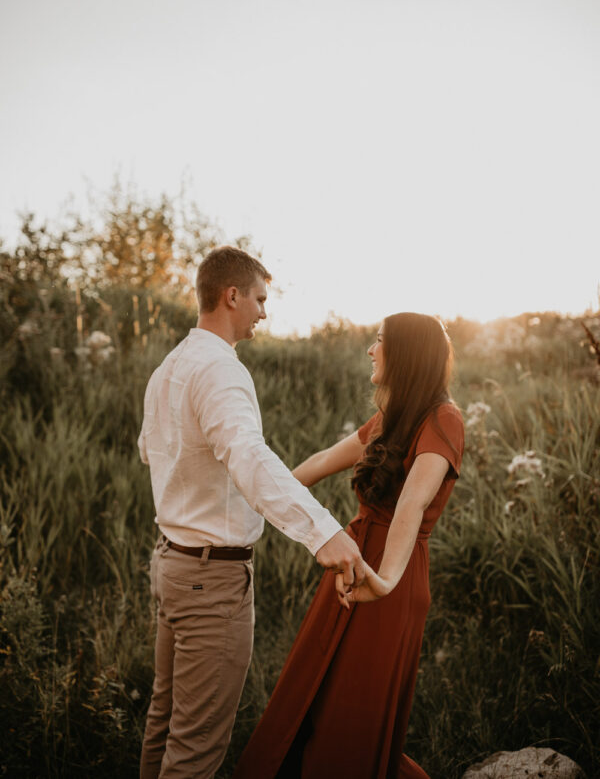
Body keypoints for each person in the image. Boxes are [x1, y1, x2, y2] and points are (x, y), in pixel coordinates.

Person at [138, 246, 365, 779]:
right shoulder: (220, 371)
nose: (265, 312)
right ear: (232, 295)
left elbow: (153, 449)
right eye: (260, 299)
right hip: (210, 580)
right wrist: (322, 532)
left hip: (171, 563)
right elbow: (247, 455)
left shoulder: (170, 366)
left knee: (164, 721)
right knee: (193, 750)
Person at [233, 312, 465, 779]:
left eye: (378, 341)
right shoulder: (390, 418)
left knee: (353, 714)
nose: (370, 349)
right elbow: (320, 462)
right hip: (352, 565)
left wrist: (384, 582)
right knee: (315, 694)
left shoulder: (444, 419)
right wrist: (253, 503)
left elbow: (411, 506)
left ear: (405, 353)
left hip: (390, 579)